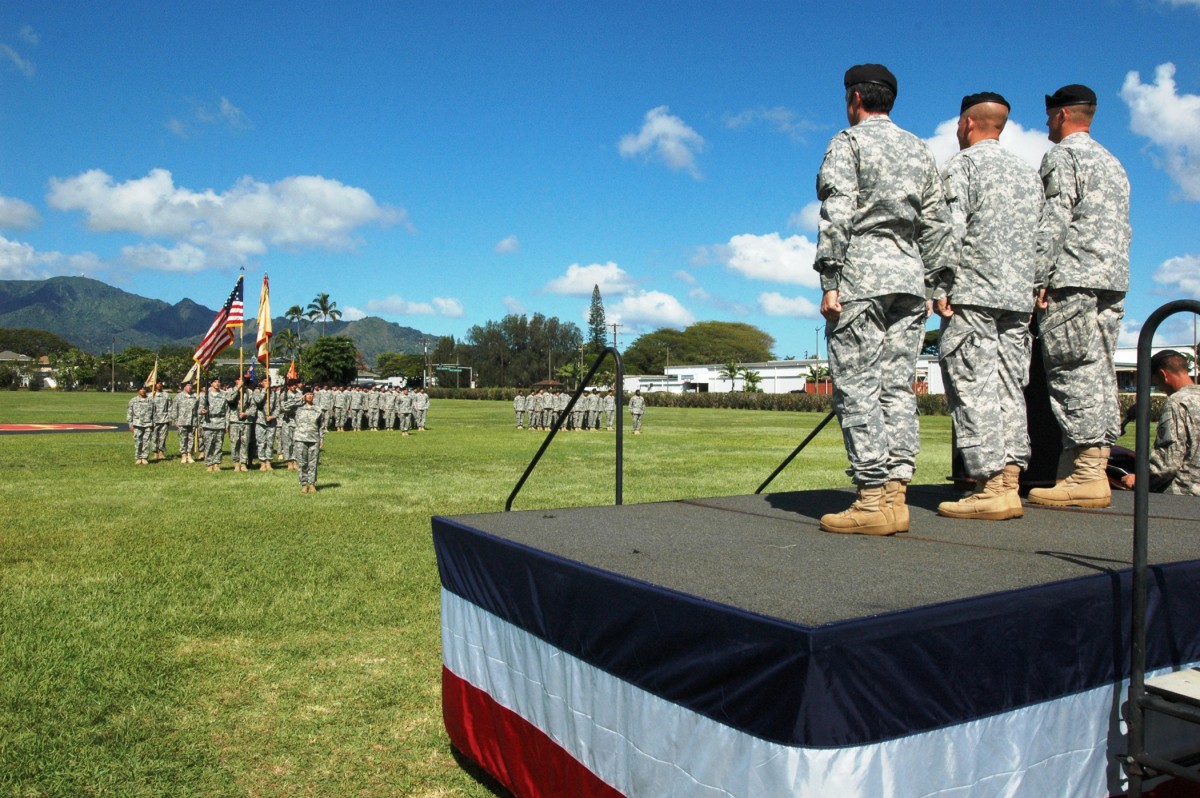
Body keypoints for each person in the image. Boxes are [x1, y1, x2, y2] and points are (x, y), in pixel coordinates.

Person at [813, 63, 953, 536]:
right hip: (910, 281)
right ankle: (897, 497)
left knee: (857, 387)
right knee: (897, 390)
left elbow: (838, 211)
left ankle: (871, 499)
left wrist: (829, 277)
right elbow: (936, 222)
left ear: (855, 99)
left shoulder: (848, 143)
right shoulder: (920, 149)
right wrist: (939, 286)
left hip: (861, 276)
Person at [934, 93, 1042, 521]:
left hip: (974, 295)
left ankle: (990, 486)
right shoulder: (1027, 173)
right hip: (1016, 299)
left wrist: (939, 284)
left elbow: (951, 231)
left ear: (967, 124)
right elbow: (1043, 236)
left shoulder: (964, 167)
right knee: (1009, 389)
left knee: (973, 388)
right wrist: (1035, 286)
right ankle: (1010, 483)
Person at [1026, 84, 1132, 508]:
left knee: (1073, 371)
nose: (1047, 122)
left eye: (1050, 114)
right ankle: (1085, 467)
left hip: (1072, 278)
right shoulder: (1113, 162)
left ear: (1063, 114)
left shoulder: (1063, 155)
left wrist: (1036, 279)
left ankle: (1086, 473)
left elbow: (1054, 219)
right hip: (1111, 278)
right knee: (1100, 371)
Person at [1121, 350, 1200, 495]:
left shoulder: (1176, 402)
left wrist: (1140, 479)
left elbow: (1168, 462)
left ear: (1163, 375)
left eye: (1156, 382)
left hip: (1183, 495)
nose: (1161, 388)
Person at [291, 386, 326, 493]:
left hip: (314, 439)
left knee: (313, 462)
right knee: (302, 462)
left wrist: (321, 439)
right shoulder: (298, 408)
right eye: (307, 394)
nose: (309, 396)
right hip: (300, 438)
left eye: (311, 394)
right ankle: (304, 484)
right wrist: (298, 399)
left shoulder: (318, 409)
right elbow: (284, 406)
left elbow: (322, 426)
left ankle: (312, 484)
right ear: (304, 396)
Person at [199, 377, 232, 471]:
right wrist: (202, 411)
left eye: (219, 381)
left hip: (220, 422)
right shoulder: (205, 395)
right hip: (208, 422)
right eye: (215, 382)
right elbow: (198, 409)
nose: (217, 383)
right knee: (208, 444)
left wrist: (226, 424)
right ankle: (209, 463)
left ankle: (217, 463)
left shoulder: (224, 394)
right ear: (211, 383)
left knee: (218, 445)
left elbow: (227, 411)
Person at [172, 381, 199, 463]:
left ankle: (189, 455)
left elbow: (198, 409)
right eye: (188, 386)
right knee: (183, 438)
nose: (190, 387)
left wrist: (197, 420)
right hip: (182, 421)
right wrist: (176, 421)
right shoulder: (178, 396)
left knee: (191, 438)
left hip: (192, 421)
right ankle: (183, 455)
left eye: (191, 386)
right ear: (184, 387)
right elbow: (174, 409)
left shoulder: (195, 396)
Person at [127, 385, 154, 465]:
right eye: (141, 389)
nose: (143, 391)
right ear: (138, 391)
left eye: (144, 389)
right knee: (138, 441)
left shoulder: (150, 401)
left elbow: (154, 413)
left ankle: (145, 457)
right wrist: (130, 424)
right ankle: (138, 457)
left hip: (148, 424)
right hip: (137, 424)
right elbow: (130, 413)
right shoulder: (133, 401)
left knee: (146, 441)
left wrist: (153, 424)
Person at [150, 381, 171, 461]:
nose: (159, 385)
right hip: (154, 419)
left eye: (160, 383)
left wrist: (169, 418)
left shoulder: (166, 395)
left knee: (163, 437)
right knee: (154, 436)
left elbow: (170, 407)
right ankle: (155, 452)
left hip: (164, 419)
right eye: (157, 383)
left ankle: (161, 452)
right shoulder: (151, 395)